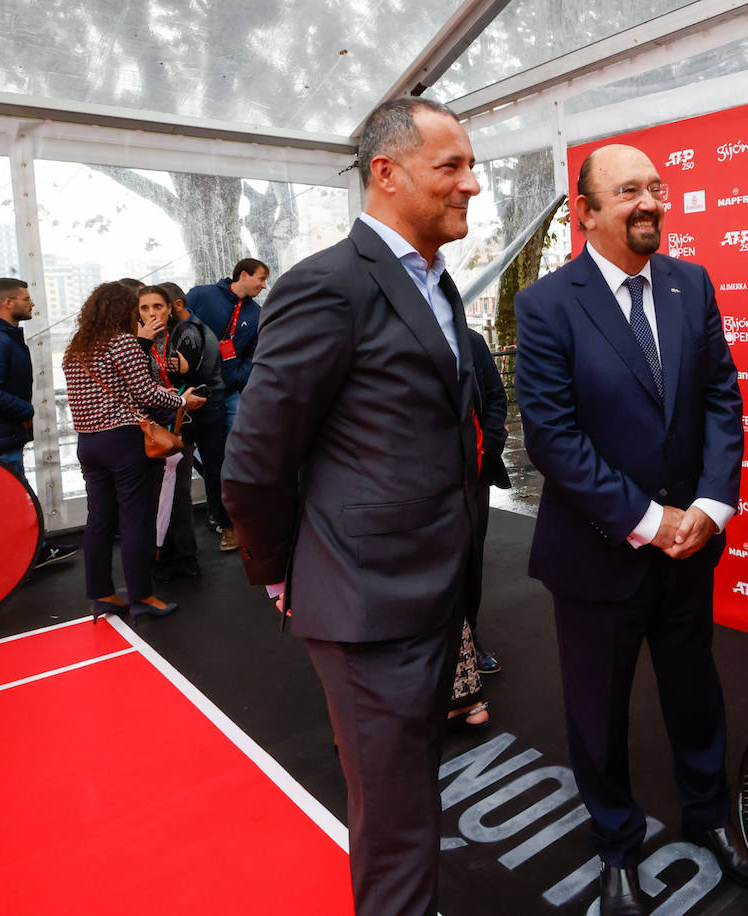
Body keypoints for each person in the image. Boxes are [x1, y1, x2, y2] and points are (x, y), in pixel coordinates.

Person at [221, 97, 481, 916]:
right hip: (367, 603)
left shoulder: (437, 284)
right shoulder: (327, 285)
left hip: (433, 592)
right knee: (397, 826)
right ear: (386, 172)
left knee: (410, 801)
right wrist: (281, 573)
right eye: (452, 166)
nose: (471, 185)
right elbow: (256, 460)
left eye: (471, 167)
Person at [515, 143, 748, 916]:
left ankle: (710, 818)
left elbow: (722, 396)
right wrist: (650, 522)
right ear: (585, 212)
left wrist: (711, 508)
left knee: (696, 695)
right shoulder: (548, 304)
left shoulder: (692, 284)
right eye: (628, 191)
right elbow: (553, 438)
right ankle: (615, 845)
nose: (650, 201)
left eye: (656, 186)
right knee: (599, 714)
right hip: (599, 558)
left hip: (690, 549)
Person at [61, 281, 206, 621]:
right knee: (135, 521)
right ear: (122, 310)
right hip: (124, 442)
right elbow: (147, 394)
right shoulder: (122, 342)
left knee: (98, 520)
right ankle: (142, 597)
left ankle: (103, 594)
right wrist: (182, 400)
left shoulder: (77, 347)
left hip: (88, 443)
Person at [0, 278, 79, 569]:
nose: (31, 302)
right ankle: (23, 560)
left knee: (6, 503)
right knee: (11, 504)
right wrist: (25, 409)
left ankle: (29, 555)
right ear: (7, 303)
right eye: (26, 298)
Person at [186, 257, 269, 552]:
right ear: (243, 275)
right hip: (190, 391)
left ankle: (233, 521)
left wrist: (237, 377)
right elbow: (182, 333)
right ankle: (215, 519)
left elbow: (254, 354)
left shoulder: (257, 313)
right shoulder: (201, 295)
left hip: (230, 392)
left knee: (232, 456)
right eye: (260, 278)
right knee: (196, 460)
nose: (263, 285)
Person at [135, 285, 201, 581]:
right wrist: (142, 343)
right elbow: (136, 387)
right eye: (145, 308)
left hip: (179, 423)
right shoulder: (133, 341)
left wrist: (183, 378)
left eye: (157, 307)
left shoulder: (181, 336)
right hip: (147, 427)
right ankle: (157, 555)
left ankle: (186, 558)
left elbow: (200, 372)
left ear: (169, 308)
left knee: (181, 493)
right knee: (153, 494)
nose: (152, 313)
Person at [160, 281, 232, 547]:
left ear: (175, 305)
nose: (155, 314)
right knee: (210, 468)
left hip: (202, 407)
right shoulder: (189, 327)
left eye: (160, 306)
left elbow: (184, 371)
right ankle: (221, 521)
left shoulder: (187, 332)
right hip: (204, 404)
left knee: (212, 469)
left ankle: (226, 525)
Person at [464, 327, 511, 673]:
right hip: (415, 484)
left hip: (472, 475)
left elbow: (496, 396)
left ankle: (470, 638)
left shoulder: (471, 341)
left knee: (471, 562)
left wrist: (487, 447)